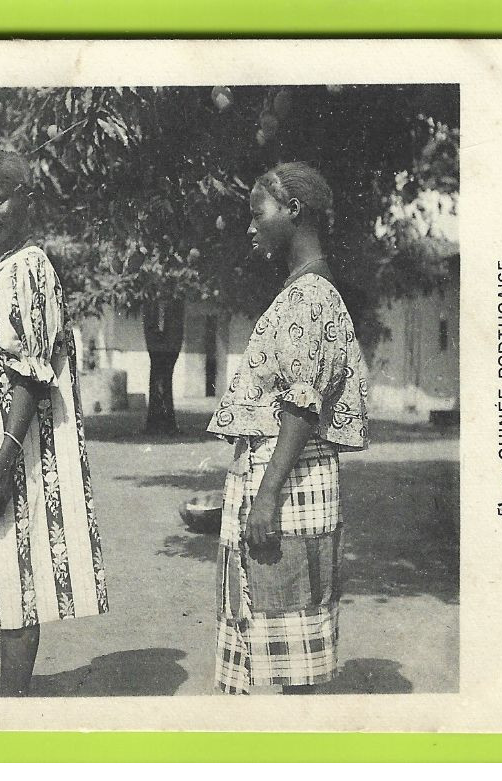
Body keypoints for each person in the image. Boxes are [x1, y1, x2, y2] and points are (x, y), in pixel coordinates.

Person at [0, 148, 107, 696]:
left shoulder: (29, 268)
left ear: (25, 201)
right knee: (2, 575)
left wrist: (3, 458)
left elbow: (30, 375)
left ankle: (13, 710)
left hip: (10, 448)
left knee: (17, 576)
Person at [207, 162, 371, 694]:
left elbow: (301, 408)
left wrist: (267, 496)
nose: (251, 228)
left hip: (289, 482)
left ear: (293, 211)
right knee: (278, 632)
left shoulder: (312, 297)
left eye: (258, 214)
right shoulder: (300, 290)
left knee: (291, 643)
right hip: (279, 476)